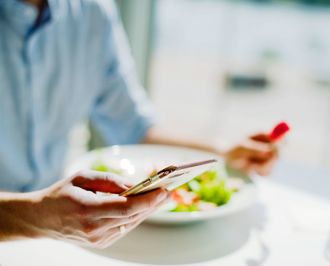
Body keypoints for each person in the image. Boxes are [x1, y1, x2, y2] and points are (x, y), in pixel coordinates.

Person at [0, 0, 277, 248]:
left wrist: (224, 151)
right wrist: (35, 216)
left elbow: (135, 128)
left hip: (52, 244)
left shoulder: (93, 12)